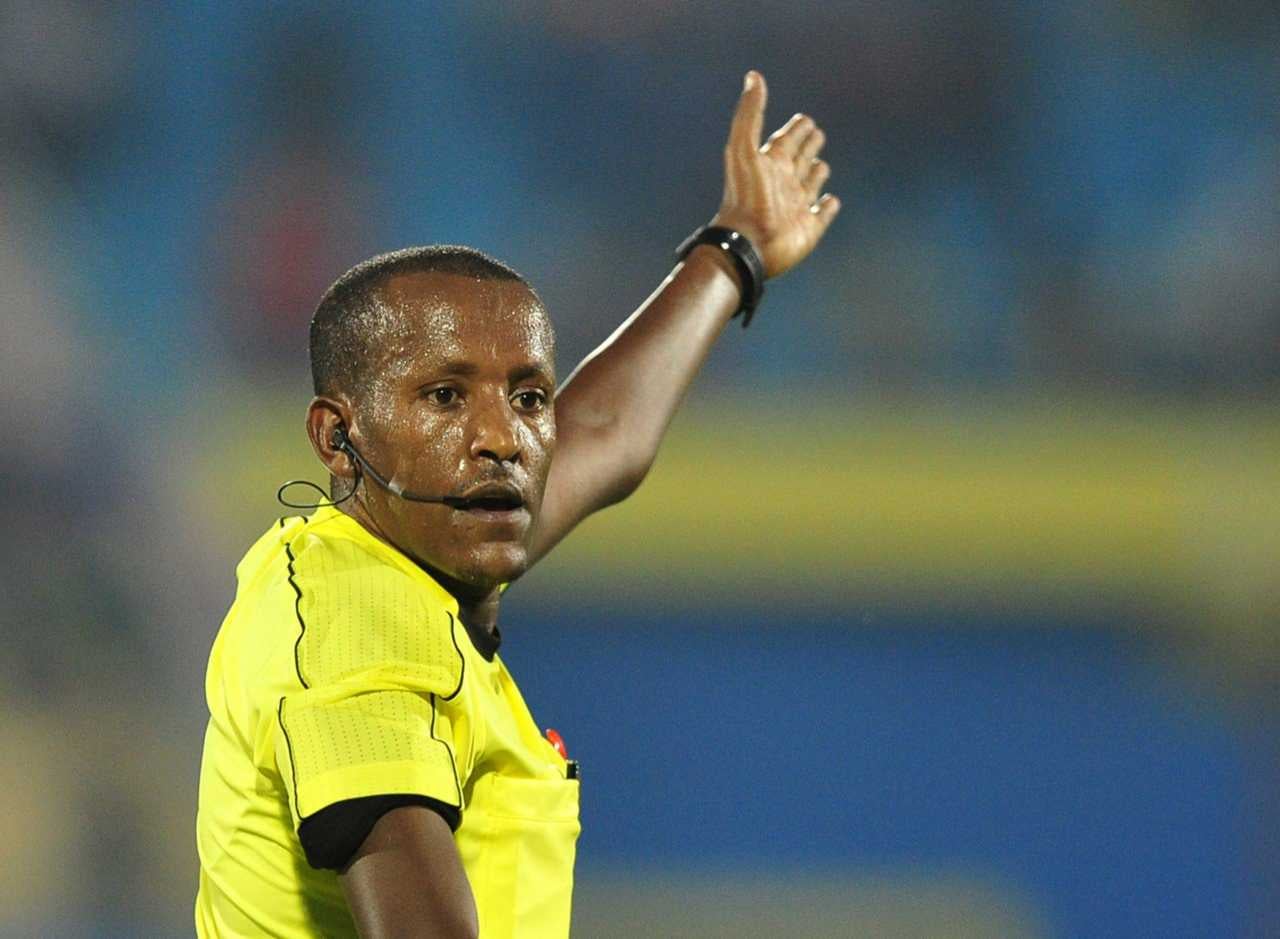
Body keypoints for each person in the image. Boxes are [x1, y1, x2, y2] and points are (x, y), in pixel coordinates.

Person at [194, 70, 839, 939]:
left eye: (529, 397)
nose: (502, 437)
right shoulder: (356, 629)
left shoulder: (399, 564)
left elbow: (604, 432)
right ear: (336, 436)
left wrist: (736, 250)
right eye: (445, 396)